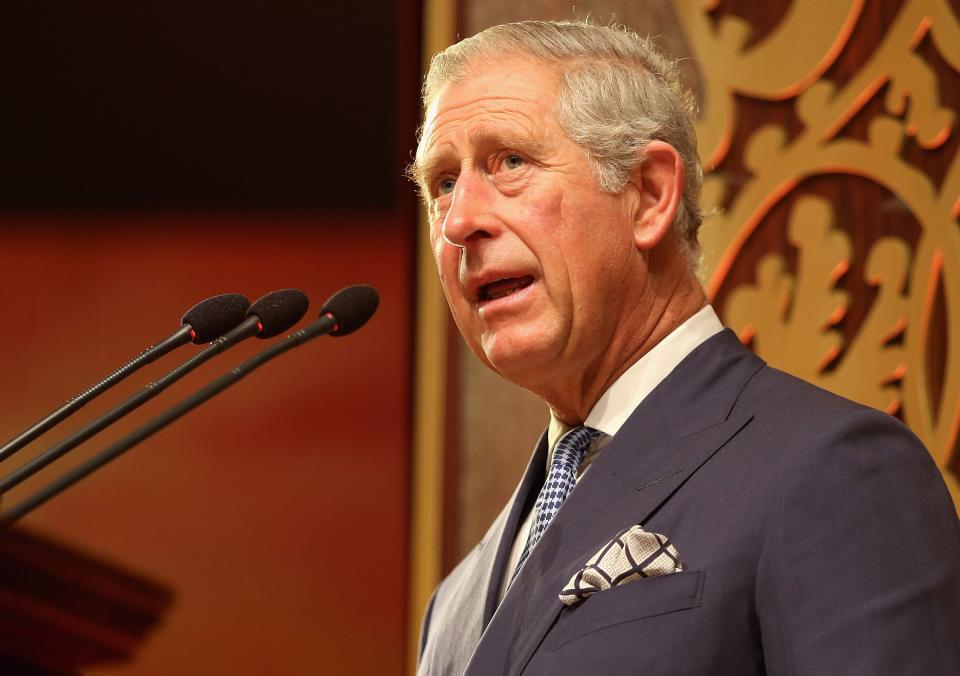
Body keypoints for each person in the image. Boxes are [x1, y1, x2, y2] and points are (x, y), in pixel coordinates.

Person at [409, 19, 960, 675]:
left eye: (511, 162)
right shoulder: (456, 602)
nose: (462, 220)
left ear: (648, 195)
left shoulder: (832, 474)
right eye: (442, 183)